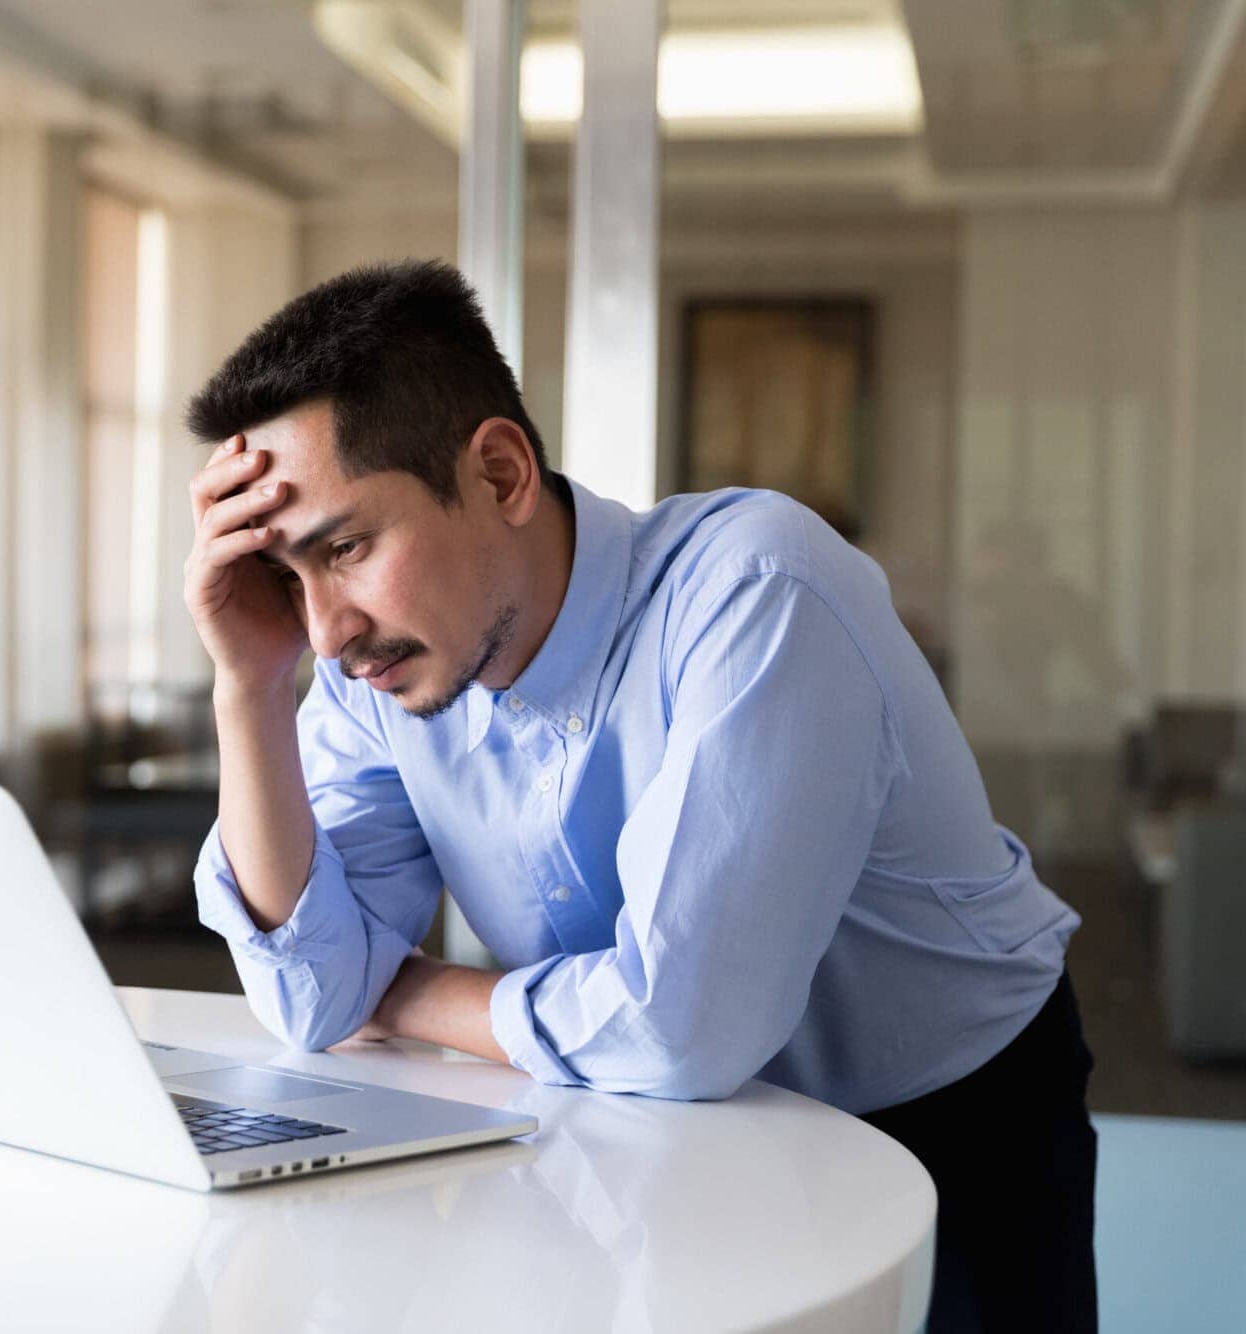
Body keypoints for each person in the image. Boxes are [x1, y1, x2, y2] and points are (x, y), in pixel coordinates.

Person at [181, 259, 1096, 1332]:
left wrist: (405, 988)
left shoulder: (757, 591)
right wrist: (246, 684)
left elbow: (680, 1024)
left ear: (501, 472)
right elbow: (306, 995)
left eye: (344, 546)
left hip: (943, 1104)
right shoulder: (372, 665)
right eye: (287, 577)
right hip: (650, 1115)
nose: (325, 628)